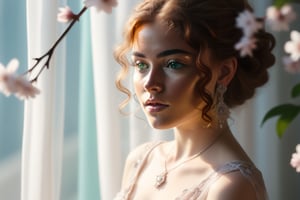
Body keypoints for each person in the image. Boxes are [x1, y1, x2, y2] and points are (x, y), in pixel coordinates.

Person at [113, 0, 275, 199]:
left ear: (224, 72)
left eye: (173, 64)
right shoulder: (140, 160)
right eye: (141, 65)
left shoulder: (230, 186)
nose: (150, 83)